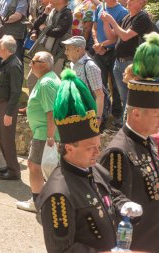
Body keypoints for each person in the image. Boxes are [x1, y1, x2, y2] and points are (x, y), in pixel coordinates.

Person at [35, 69, 143, 252]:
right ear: (69, 148)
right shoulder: (58, 195)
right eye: (90, 148)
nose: (98, 152)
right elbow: (62, 250)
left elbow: (111, 194)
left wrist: (124, 205)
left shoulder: (93, 168)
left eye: (98, 145)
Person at [100, 32, 159, 252]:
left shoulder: (146, 141)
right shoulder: (118, 151)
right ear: (135, 114)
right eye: (156, 115)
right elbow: (113, 199)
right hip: (137, 245)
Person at [16, 51, 60, 212]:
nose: (30, 64)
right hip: (45, 132)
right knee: (47, 168)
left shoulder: (46, 83)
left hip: (45, 133)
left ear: (43, 64)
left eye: (33, 61)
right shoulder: (48, 80)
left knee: (34, 166)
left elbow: (52, 112)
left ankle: (37, 202)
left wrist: (50, 137)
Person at [100, 0, 152, 122]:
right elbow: (112, 37)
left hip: (132, 63)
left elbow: (125, 36)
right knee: (125, 98)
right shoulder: (128, 17)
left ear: (141, 2)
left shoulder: (142, 18)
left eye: (132, 0)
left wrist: (111, 20)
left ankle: (129, 126)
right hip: (119, 62)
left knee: (133, 98)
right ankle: (125, 125)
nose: (128, 1)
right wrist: (106, 23)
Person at [0, 35, 23, 180]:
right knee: (3, 137)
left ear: (5, 49)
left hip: (6, 107)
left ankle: (14, 171)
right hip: (1, 106)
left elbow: (16, 92)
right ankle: (9, 165)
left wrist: (9, 113)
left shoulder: (14, 65)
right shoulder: (8, 62)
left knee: (7, 138)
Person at [92, 0, 128, 127]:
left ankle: (118, 116)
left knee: (116, 86)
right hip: (99, 52)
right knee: (100, 85)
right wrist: (97, 43)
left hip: (114, 52)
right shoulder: (100, 7)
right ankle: (102, 116)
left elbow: (118, 35)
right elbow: (94, 27)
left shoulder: (123, 12)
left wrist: (102, 45)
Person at [62, 36, 105, 127]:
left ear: (78, 50)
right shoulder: (72, 64)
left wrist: (97, 118)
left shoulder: (90, 67)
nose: (65, 52)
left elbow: (99, 95)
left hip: (88, 114)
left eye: (68, 49)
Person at [0, 0, 28, 64]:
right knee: (0, 61)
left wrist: (1, 20)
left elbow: (17, 16)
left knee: (16, 61)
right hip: (1, 34)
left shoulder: (22, 1)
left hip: (15, 37)